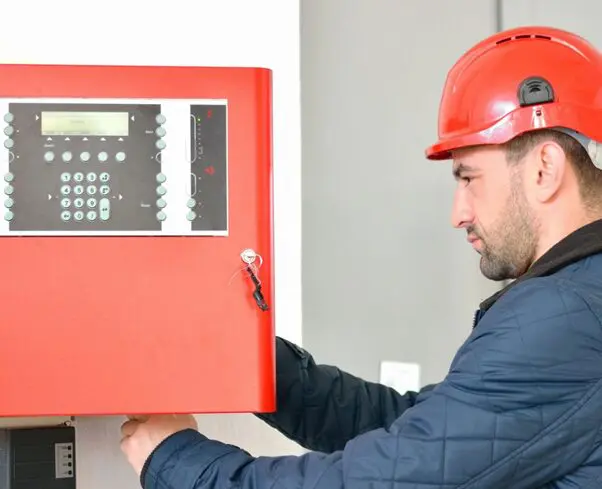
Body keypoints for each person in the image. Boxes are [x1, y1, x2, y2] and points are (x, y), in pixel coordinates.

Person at [120, 25, 602, 488]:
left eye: (468, 178)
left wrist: (175, 459)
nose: (459, 213)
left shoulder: (564, 315)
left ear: (544, 169)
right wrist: (250, 358)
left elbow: (383, 479)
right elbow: (418, 429)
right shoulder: (579, 298)